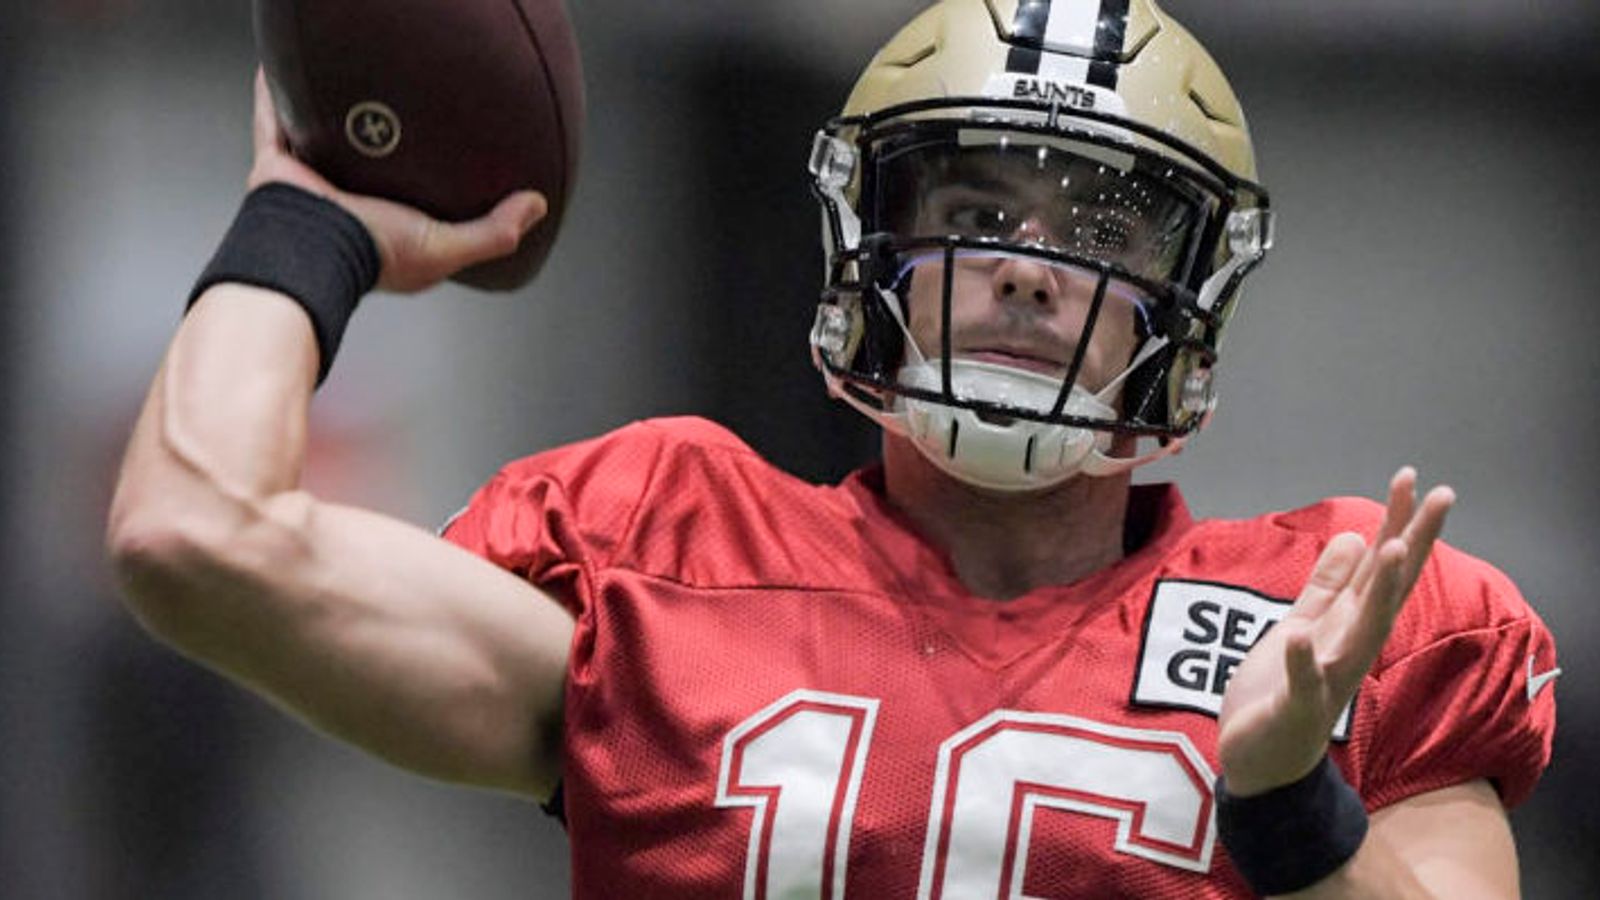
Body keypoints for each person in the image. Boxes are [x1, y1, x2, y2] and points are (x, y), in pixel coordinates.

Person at [107, 0, 1556, 896]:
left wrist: (1296, 805)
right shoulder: (661, 560)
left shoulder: (1331, 626)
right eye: (978, 216)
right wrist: (312, 221)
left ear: (1190, 306)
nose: (1035, 272)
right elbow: (195, 534)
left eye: (1106, 234)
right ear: (870, 247)